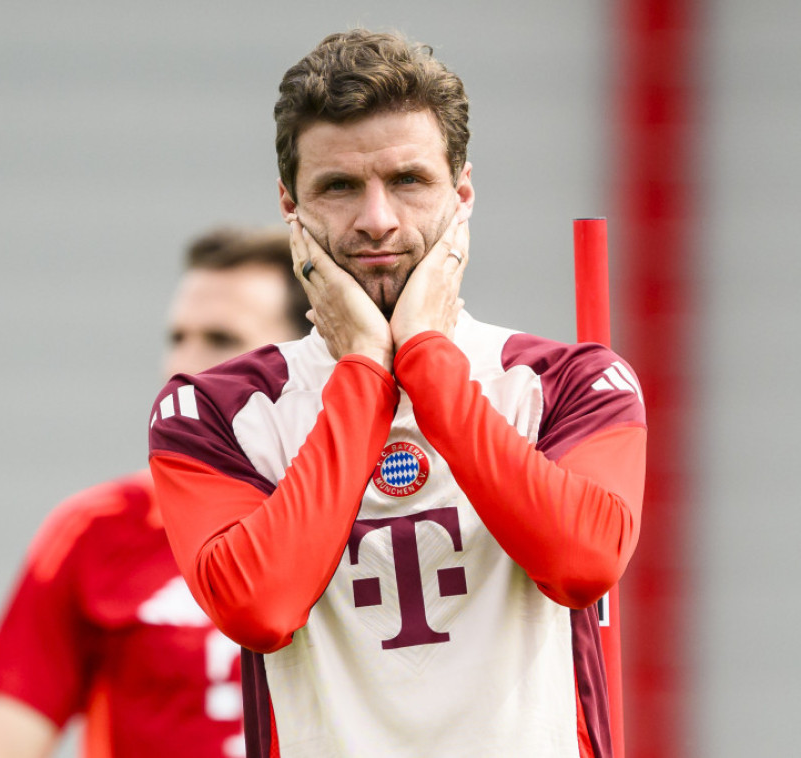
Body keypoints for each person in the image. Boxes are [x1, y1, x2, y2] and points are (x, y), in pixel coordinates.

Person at [147, 29, 647, 758]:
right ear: (290, 204)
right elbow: (260, 607)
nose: (377, 220)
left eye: (408, 180)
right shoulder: (211, 410)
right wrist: (363, 370)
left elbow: (582, 565)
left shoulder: (575, 382)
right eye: (339, 186)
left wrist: (425, 358)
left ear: (462, 193)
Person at [0, 226, 311, 758]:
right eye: (177, 338)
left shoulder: (375, 520)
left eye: (220, 339)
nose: (179, 368)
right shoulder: (97, 529)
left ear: (303, 360)